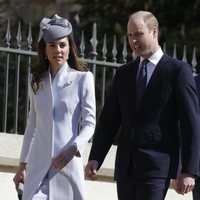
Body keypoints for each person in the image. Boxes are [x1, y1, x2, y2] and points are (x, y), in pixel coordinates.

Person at [85, 10, 200, 200]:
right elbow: (109, 120)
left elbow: (190, 123)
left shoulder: (178, 71)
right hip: (125, 167)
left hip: (157, 166)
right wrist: (96, 157)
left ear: (154, 32)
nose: (133, 41)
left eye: (138, 34)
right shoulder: (124, 73)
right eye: (130, 35)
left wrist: (189, 170)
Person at [13, 14, 96, 200]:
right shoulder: (35, 81)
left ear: (69, 48)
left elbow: (90, 124)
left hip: (67, 165)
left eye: (62, 45)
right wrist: (21, 167)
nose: (58, 50)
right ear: (44, 49)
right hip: (37, 167)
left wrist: (74, 148)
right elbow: (32, 125)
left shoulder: (83, 79)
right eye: (52, 45)